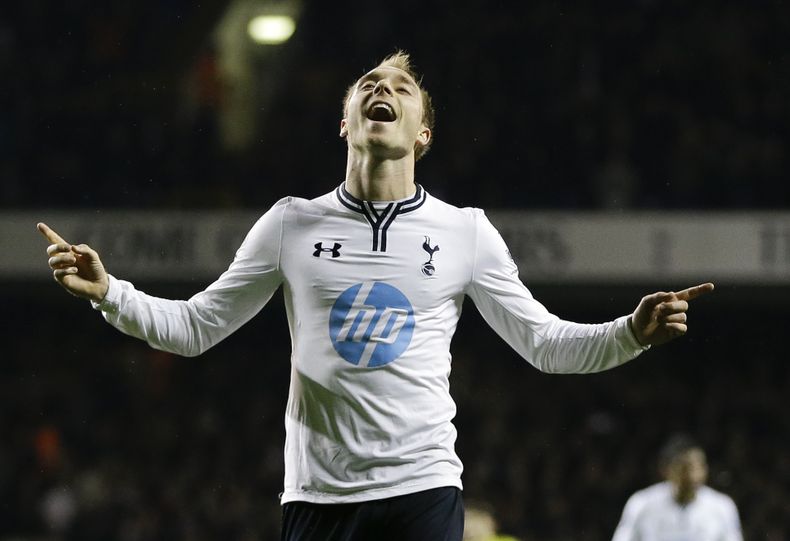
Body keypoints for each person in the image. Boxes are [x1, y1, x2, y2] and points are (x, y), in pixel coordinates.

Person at [39, 51, 714, 541]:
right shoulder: (290, 223)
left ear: (422, 133)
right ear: (347, 124)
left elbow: (543, 342)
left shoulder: (463, 231)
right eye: (368, 84)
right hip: (317, 497)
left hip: (422, 491)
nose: (381, 89)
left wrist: (630, 330)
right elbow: (195, 326)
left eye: (400, 87)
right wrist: (110, 292)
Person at [612, 434, 743, 541]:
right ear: (666, 469)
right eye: (685, 468)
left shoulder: (722, 506)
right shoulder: (642, 504)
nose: (694, 475)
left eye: (700, 467)